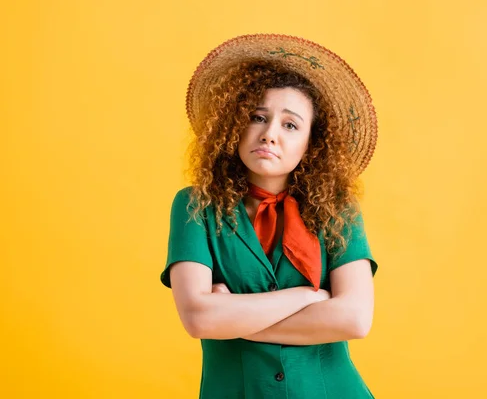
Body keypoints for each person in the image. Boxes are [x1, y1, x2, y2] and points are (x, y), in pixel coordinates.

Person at [160, 33, 379, 399]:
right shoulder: (194, 206)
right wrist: (307, 298)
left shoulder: (339, 210)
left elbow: (354, 318)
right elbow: (198, 319)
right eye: (257, 117)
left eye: (290, 125)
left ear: (312, 142)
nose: (269, 135)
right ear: (234, 126)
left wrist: (231, 316)